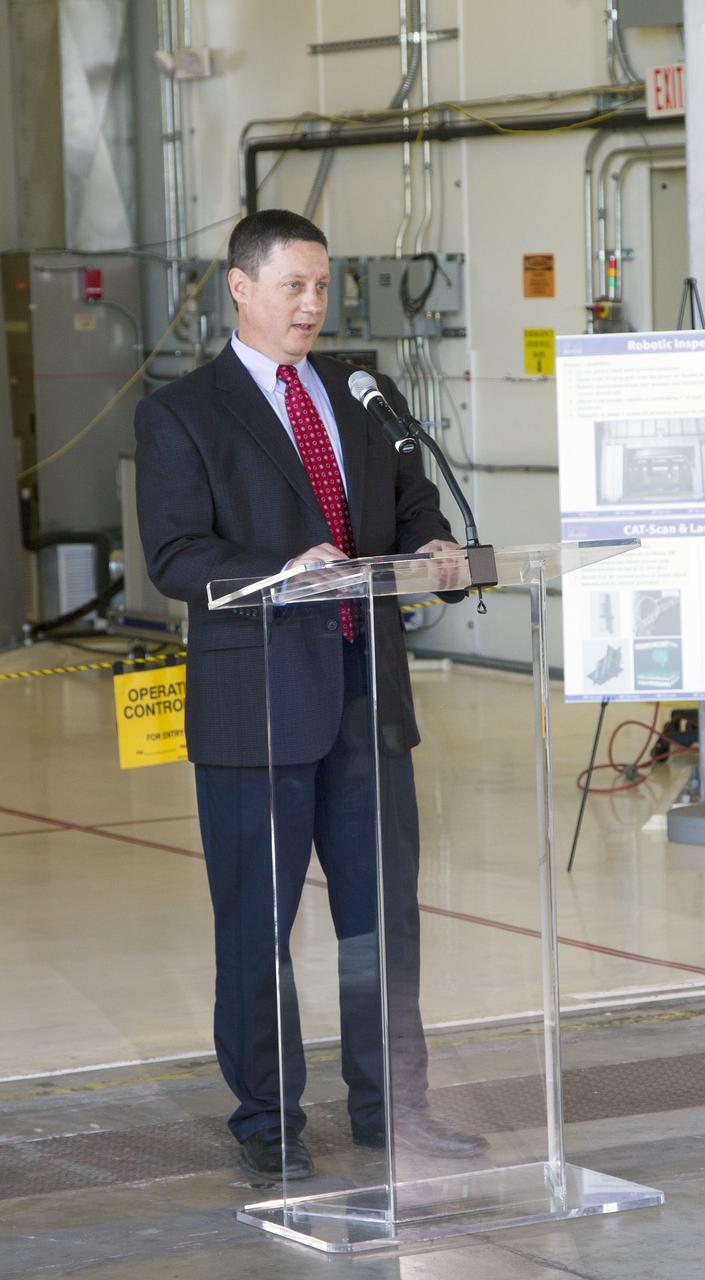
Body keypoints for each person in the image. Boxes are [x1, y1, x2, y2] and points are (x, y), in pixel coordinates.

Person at [134, 209, 485, 1182]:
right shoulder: (182, 413)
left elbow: (410, 503)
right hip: (257, 709)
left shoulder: (360, 392)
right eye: (293, 285)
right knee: (260, 925)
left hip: (368, 702)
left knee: (383, 921)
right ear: (240, 287)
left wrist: (431, 545)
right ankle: (269, 1119)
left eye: (322, 286)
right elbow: (176, 554)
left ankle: (391, 1107)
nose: (312, 304)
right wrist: (280, 570)